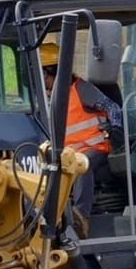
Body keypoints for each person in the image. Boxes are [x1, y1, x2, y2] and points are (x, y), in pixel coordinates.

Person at [38, 43, 123, 225]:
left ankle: (81, 216)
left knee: (82, 165)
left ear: (48, 72)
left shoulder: (81, 89)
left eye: (41, 74)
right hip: (66, 154)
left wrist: (116, 128)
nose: (41, 80)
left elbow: (112, 107)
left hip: (95, 149)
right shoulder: (47, 100)